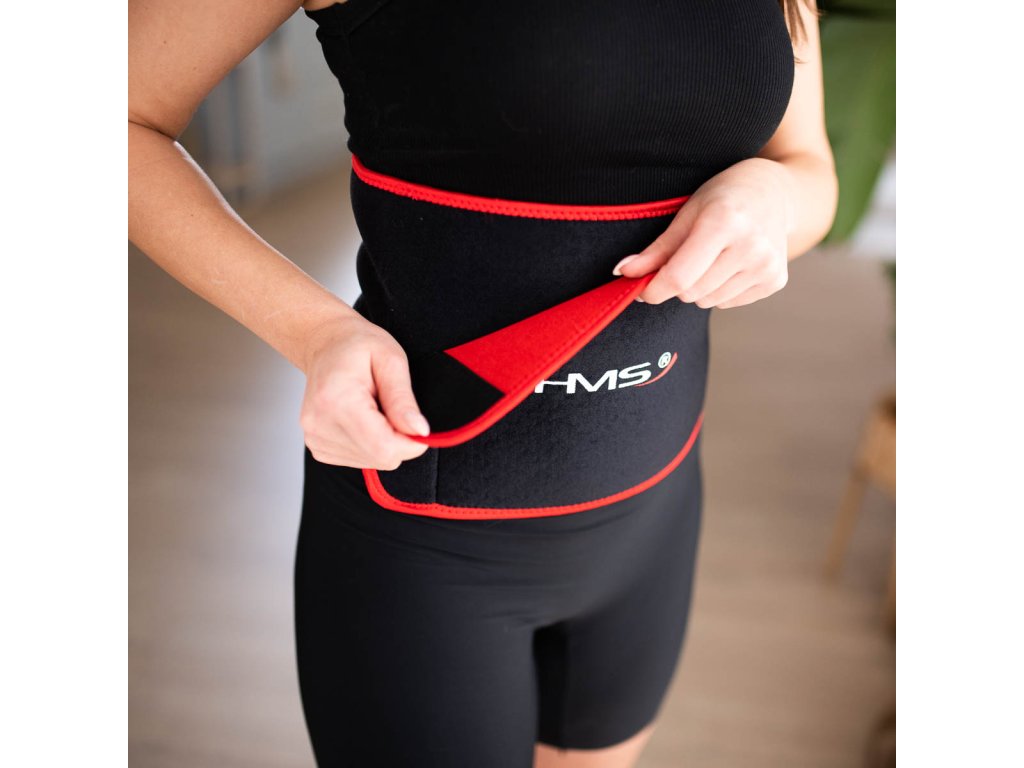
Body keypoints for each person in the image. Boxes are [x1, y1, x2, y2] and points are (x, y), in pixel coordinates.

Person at [128, 0, 837, 766]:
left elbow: (809, 167)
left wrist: (775, 197)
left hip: (653, 513)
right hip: (423, 547)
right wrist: (314, 331)